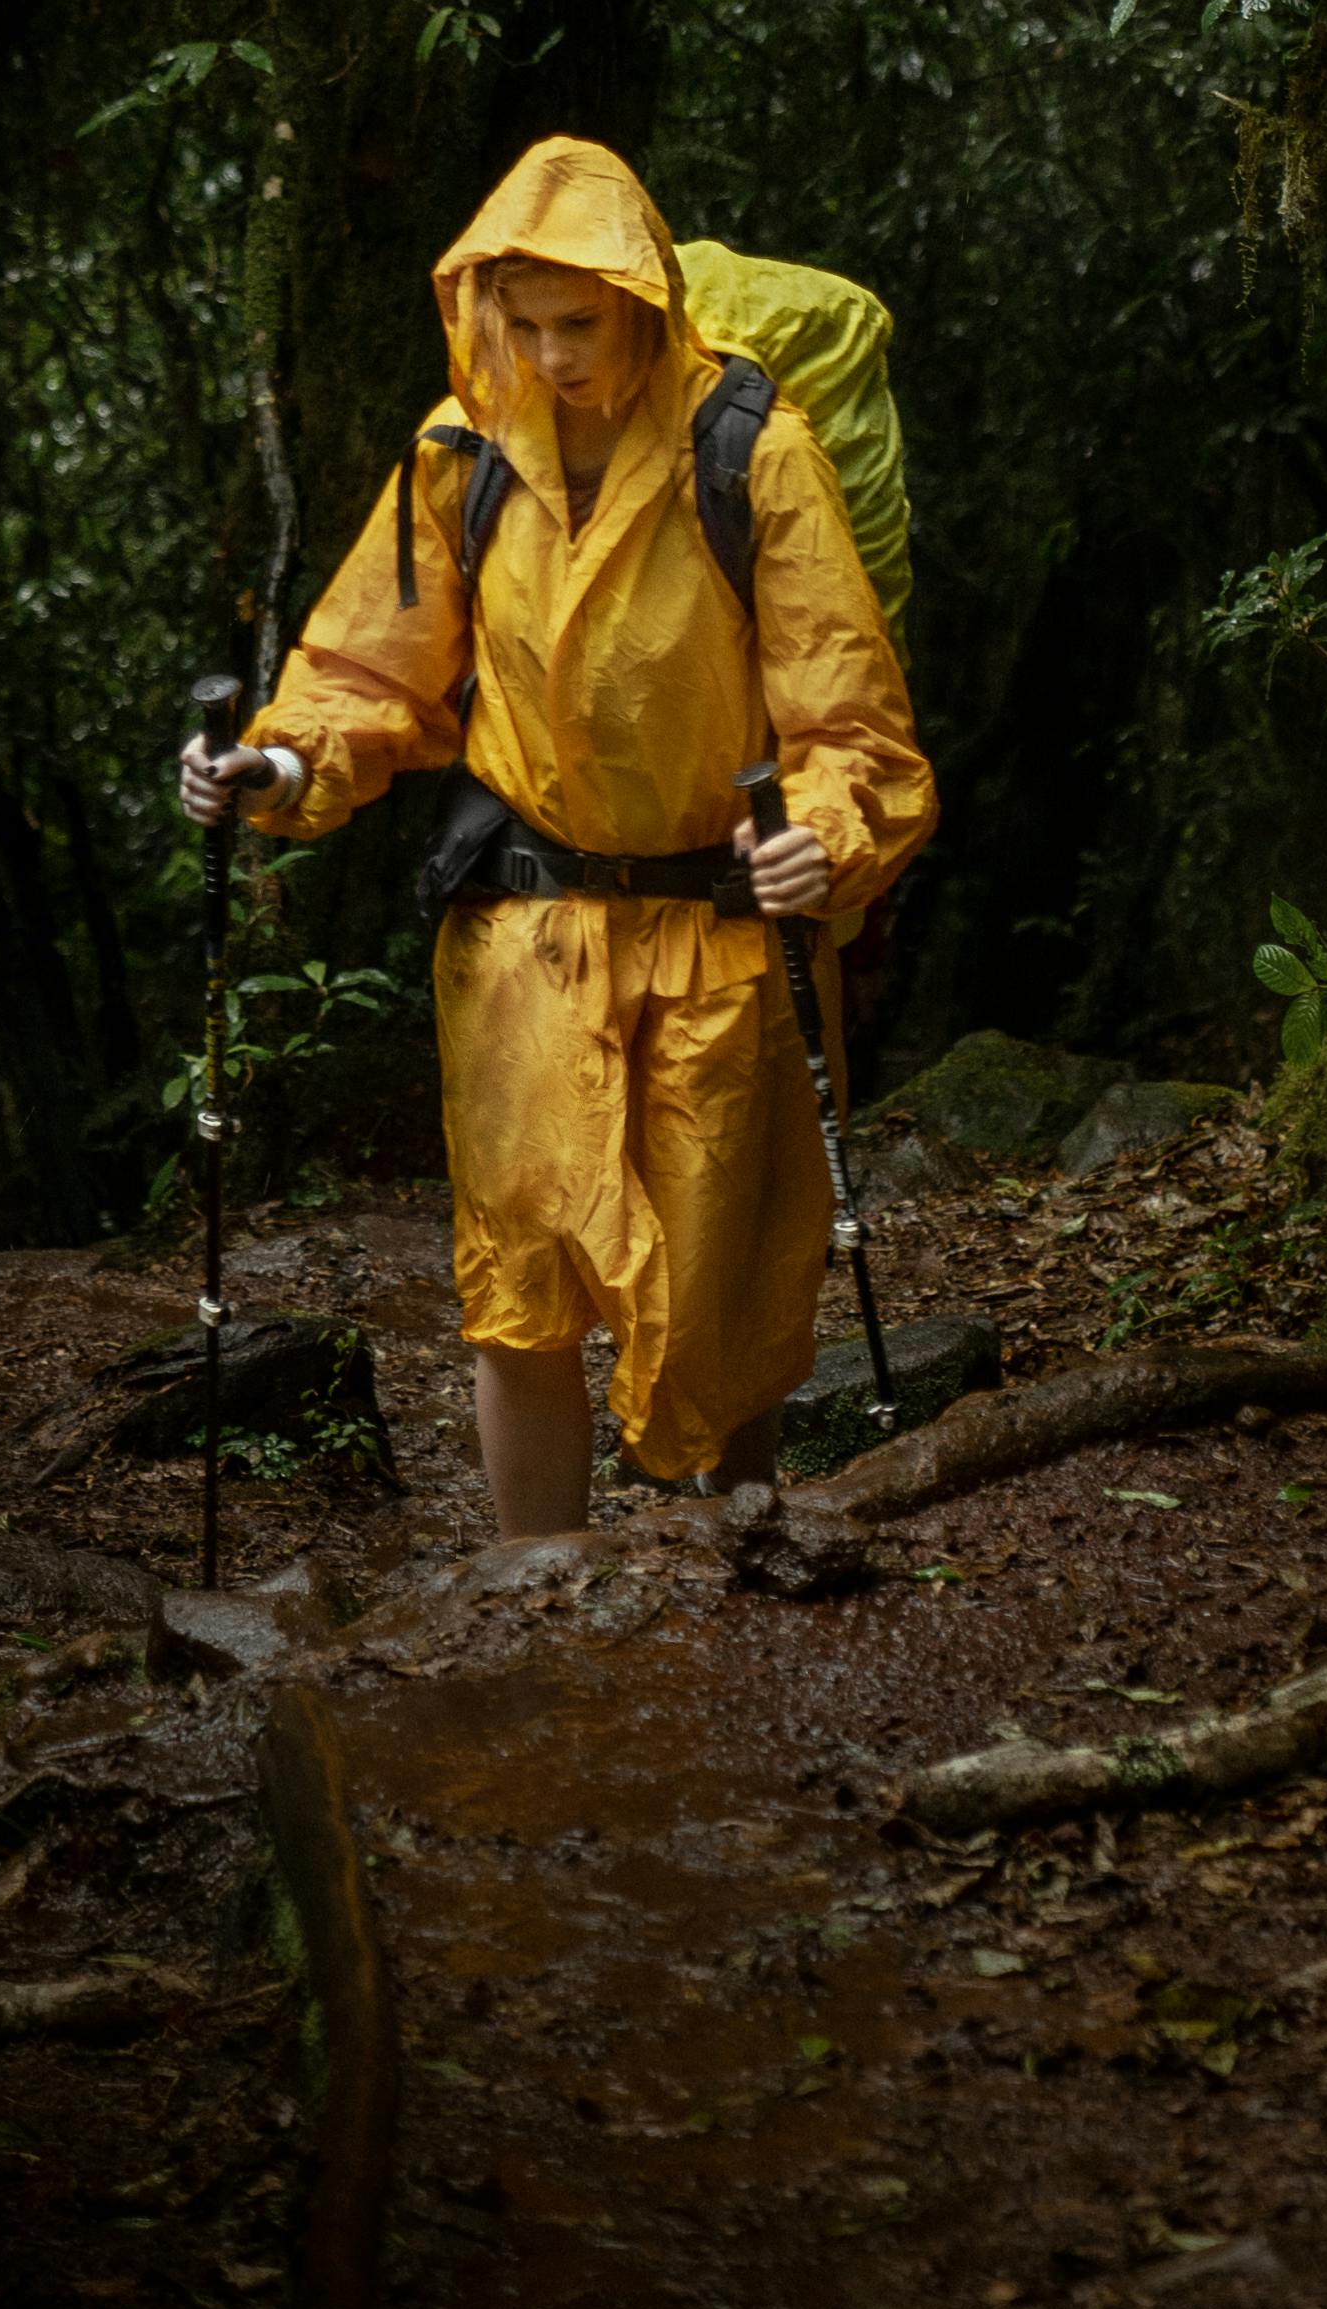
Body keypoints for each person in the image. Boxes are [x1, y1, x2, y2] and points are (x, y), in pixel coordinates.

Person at [179, 140, 936, 1536]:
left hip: (724, 929)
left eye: (572, 323)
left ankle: (735, 1570)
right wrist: (276, 763)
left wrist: (826, 840)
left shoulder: (752, 453)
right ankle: (528, 1593)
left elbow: (850, 719)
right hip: (524, 931)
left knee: (729, 1281)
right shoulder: (458, 455)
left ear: (639, 299)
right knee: (519, 1278)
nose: (543, 352)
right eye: (515, 322)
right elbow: (370, 673)